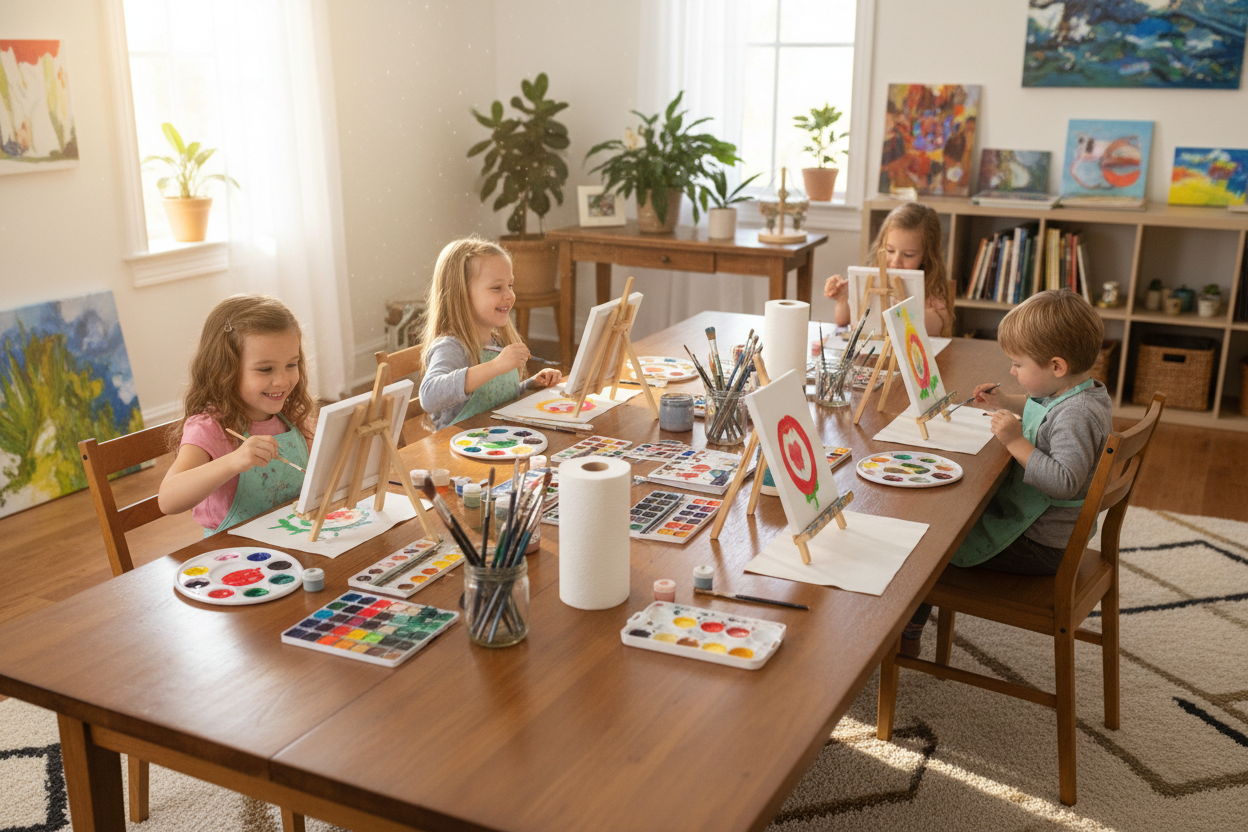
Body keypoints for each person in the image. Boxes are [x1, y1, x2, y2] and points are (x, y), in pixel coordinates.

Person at [900, 288, 1113, 656]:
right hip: (1044, 532)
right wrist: (1005, 402)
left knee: (931, 541)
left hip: (1042, 545)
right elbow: (1041, 406)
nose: (1012, 371)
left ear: (1057, 366)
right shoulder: (1080, 391)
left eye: (1018, 364)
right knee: (953, 511)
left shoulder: (1077, 416)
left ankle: (907, 633)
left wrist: (1015, 442)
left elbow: (1064, 482)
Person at [158, 294, 315, 535]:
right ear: (226, 370)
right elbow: (168, 499)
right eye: (265, 369)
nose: (283, 380)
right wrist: (234, 461)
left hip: (292, 539)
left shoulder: (290, 416)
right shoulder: (209, 428)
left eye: (291, 365)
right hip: (236, 556)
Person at [418, 236, 562, 431]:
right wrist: (496, 365)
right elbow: (429, 396)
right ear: (461, 295)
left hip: (496, 439)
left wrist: (530, 384)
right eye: (497, 288)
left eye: (510, 285)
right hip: (458, 451)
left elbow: (491, 398)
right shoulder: (451, 346)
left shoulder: (494, 341)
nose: (510, 295)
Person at [823, 202, 953, 337]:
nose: (895, 262)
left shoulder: (931, 288)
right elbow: (843, 321)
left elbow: (933, 327)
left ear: (927, 255)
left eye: (908, 255)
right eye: (890, 250)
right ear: (881, 246)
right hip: (873, 354)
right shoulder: (872, 279)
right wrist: (843, 299)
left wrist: (902, 307)